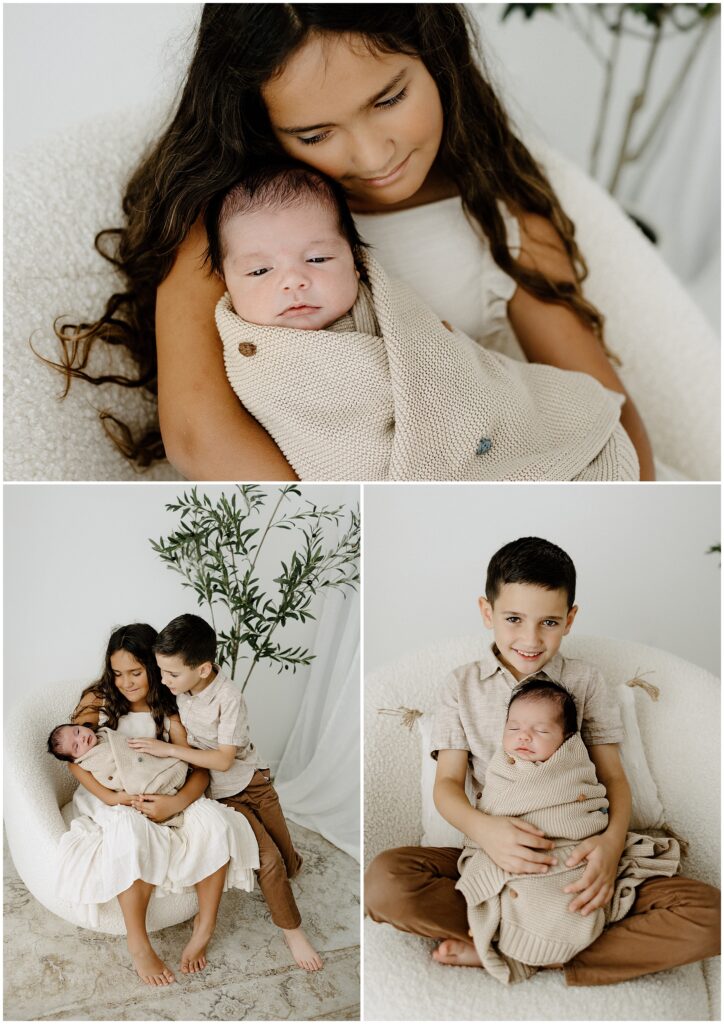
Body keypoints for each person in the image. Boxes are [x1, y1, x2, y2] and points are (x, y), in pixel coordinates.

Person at [48, 5, 654, 480]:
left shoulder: (500, 215)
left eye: (389, 99)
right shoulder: (239, 226)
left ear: (438, 55)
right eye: (314, 134)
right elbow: (198, 435)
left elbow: (606, 412)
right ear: (260, 122)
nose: (372, 155)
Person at [364, 537, 720, 985]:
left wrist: (610, 849)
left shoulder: (585, 681)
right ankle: (532, 941)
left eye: (549, 622)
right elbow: (448, 784)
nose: (530, 639)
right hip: (496, 860)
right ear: (486, 611)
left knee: (711, 916)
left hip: (578, 857)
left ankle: (524, 951)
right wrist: (485, 831)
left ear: (570, 619)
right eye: (514, 619)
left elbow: (614, 777)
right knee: (384, 882)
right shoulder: (462, 685)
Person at [209, 162, 637, 482]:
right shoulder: (255, 359)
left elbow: (449, 368)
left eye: (318, 259)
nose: (294, 281)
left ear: (356, 265)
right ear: (226, 282)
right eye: (260, 271)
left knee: (582, 438)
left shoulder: (391, 308)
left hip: (495, 423)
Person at [60, 623, 259, 987]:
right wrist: (112, 798)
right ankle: (138, 942)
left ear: (154, 666)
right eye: (118, 673)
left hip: (168, 793)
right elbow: (74, 757)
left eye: (136, 672)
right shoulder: (98, 698)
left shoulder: (174, 704)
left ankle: (205, 926)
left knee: (214, 823)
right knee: (130, 830)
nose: (126, 682)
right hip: (114, 796)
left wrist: (177, 802)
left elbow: (199, 767)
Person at [127, 613, 324, 973]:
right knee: (269, 861)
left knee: (287, 853)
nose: (164, 679)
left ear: (203, 669)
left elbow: (222, 760)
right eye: (161, 671)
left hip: (254, 781)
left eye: (171, 673)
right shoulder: (177, 689)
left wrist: (171, 751)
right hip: (225, 798)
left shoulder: (229, 698)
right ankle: (293, 932)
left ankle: (292, 867)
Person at [456, 679, 678, 984]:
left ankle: (513, 950)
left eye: (542, 731)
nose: (524, 736)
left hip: (571, 854)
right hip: (504, 852)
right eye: (514, 728)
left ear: (565, 738)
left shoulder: (573, 763)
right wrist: (486, 833)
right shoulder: (502, 767)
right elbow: (491, 806)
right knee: (393, 879)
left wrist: (609, 845)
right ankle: (529, 950)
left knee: (571, 899)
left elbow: (591, 807)